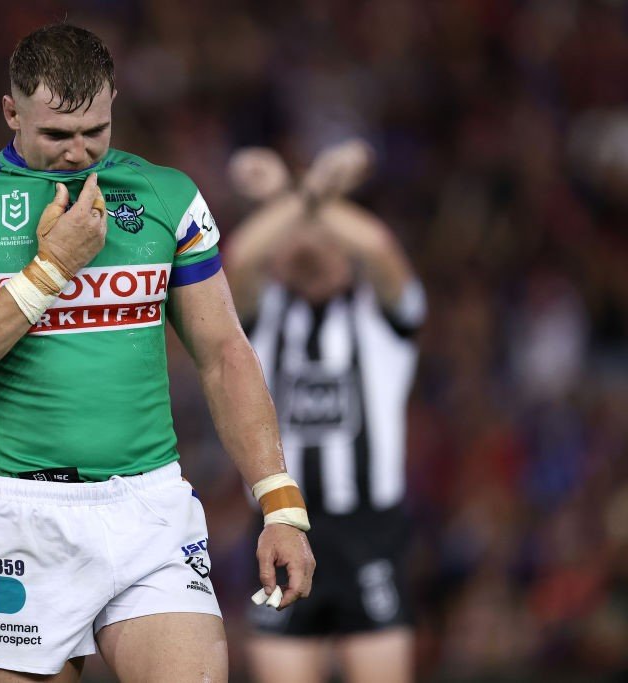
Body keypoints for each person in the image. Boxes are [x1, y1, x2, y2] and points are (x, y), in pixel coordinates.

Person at [0, 24, 315, 683]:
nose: (78, 153)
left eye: (96, 131)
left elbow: (225, 353)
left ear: (115, 102)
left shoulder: (166, 198)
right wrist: (49, 269)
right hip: (27, 517)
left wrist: (281, 505)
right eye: (57, 136)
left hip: (151, 508)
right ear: (11, 111)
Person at [224, 141, 426, 683]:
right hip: (279, 524)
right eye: (293, 238)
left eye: (321, 234)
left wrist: (293, 196)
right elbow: (240, 258)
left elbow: (379, 244)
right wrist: (305, 198)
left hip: (368, 530)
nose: (306, 245)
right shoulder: (262, 323)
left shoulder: (382, 320)